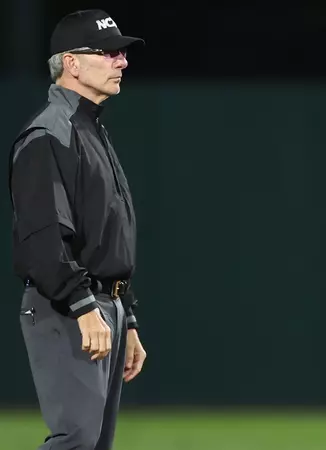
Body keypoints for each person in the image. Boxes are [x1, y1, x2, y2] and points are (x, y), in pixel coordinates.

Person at [9, 9, 147, 450]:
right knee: (76, 442)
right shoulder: (50, 134)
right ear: (70, 62)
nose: (121, 61)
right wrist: (84, 305)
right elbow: (43, 238)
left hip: (105, 306)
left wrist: (129, 318)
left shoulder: (89, 128)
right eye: (109, 52)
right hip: (68, 307)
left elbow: (108, 235)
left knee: (91, 445)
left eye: (122, 53)